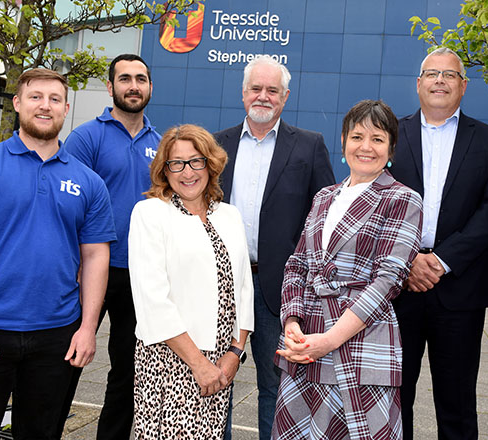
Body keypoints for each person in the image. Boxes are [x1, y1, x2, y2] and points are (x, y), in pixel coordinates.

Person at [0, 68, 116, 439]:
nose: (45, 106)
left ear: (65, 108)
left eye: (55, 99)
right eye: (35, 97)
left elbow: (96, 257)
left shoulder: (88, 181)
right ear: (17, 103)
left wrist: (88, 329)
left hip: (57, 337)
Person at [272, 100, 423, 440]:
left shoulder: (403, 199)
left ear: (391, 148)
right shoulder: (324, 197)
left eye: (378, 139)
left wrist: (328, 341)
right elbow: (297, 265)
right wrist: (293, 324)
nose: (366, 147)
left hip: (360, 341)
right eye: (357, 137)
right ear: (343, 141)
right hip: (305, 341)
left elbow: (389, 280)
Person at [388, 47, 488, 440]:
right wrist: (408, 261)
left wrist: (440, 260)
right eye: (431, 73)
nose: (440, 80)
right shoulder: (391, 134)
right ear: (419, 83)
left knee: (457, 401)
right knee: (393, 396)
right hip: (396, 288)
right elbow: (375, 201)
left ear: (463, 86)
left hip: (459, 289)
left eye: (449, 74)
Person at [214, 54, 335, 440]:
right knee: (217, 384)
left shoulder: (310, 146)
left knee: (277, 389)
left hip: (279, 291)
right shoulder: (216, 145)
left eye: (272, 90)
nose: (263, 96)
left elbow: (323, 220)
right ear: (243, 94)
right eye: (255, 89)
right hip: (222, 286)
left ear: (285, 97)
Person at [128, 124, 254, 439]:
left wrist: (235, 354)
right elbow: (152, 298)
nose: (187, 172)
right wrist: (199, 364)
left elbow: (243, 288)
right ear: (164, 170)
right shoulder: (150, 214)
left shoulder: (229, 215)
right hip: (171, 361)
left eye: (196, 161)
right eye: (176, 163)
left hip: (222, 363)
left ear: (210, 165)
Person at [60, 53, 161, 439]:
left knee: (128, 371)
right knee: (66, 361)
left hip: (139, 274)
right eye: (125, 79)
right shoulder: (86, 137)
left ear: (150, 87)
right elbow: (66, 198)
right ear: (111, 86)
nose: (133, 86)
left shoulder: (162, 143)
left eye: (141, 78)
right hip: (88, 269)